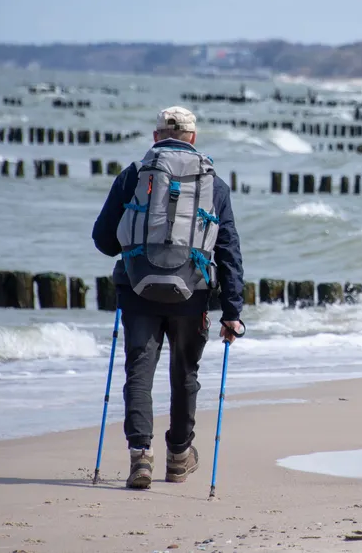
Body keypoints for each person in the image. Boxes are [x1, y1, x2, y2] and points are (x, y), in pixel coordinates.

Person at [92, 106, 246, 489]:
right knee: (185, 375)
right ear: (193, 137)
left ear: (156, 135)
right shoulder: (214, 185)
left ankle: (140, 458)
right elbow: (228, 251)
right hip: (192, 294)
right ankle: (179, 456)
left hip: (139, 289)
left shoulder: (133, 176)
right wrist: (232, 311)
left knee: (139, 373)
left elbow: (103, 240)